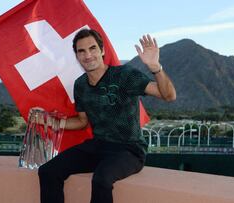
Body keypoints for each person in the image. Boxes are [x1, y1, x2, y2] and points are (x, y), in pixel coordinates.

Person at [38, 28, 176, 203]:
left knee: (101, 179)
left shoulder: (124, 75)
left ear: (102, 51)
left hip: (129, 150)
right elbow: (82, 121)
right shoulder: (80, 84)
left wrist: (156, 68)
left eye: (92, 48)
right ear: (77, 56)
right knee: (48, 171)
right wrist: (51, 122)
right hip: (98, 146)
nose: (88, 55)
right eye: (81, 51)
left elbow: (169, 96)